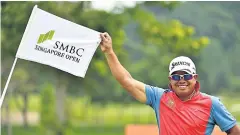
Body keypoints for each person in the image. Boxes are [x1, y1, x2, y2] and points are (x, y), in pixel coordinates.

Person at [99, 32, 240, 135]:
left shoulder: (212, 103)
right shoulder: (159, 97)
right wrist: (109, 51)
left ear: (195, 77)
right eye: (176, 77)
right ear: (170, 81)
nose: (182, 80)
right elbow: (126, 81)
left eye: (186, 75)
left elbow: (234, 130)